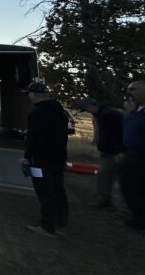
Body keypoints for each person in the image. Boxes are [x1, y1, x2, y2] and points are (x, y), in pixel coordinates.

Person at [22, 82, 69, 236]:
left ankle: (47, 226)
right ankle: (60, 222)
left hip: (40, 160)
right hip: (58, 157)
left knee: (44, 191)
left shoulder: (36, 113)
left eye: (29, 93)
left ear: (33, 95)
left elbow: (34, 138)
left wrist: (27, 157)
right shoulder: (60, 113)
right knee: (58, 190)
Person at [77, 96, 123, 208]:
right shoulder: (105, 113)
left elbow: (118, 134)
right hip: (110, 152)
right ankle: (106, 201)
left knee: (105, 176)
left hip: (113, 153)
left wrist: (119, 151)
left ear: (90, 106)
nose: (88, 112)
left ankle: (106, 202)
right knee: (106, 177)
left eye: (87, 110)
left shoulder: (107, 115)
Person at [118, 80, 145, 230]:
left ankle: (141, 219)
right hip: (131, 155)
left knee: (140, 189)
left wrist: (131, 115)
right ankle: (138, 217)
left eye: (133, 89)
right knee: (130, 188)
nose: (129, 92)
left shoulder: (142, 113)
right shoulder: (137, 110)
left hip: (143, 157)